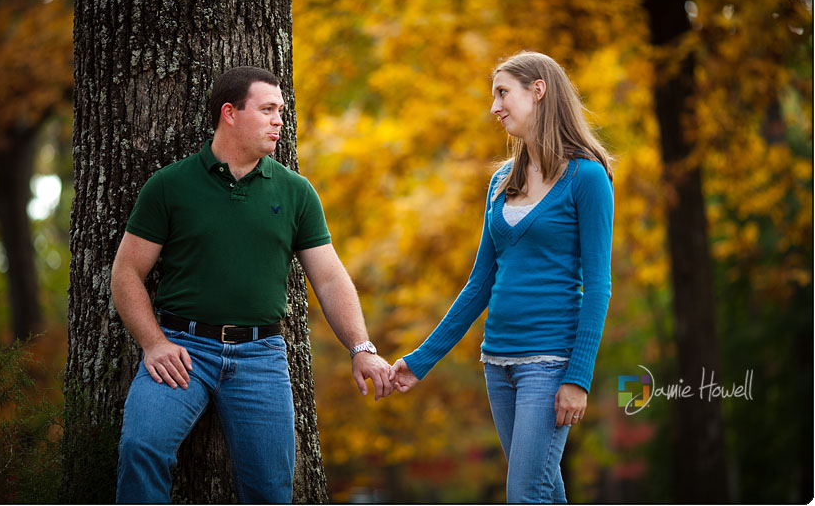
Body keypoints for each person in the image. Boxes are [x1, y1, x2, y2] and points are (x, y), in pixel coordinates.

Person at [111, 66, 393, 503]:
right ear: (230, 113)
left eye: (281, 110)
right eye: (267, 110)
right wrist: (152, 343)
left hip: (260, 357)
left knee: (271, 490)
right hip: (183, 350)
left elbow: (330, 276)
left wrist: (361, 347)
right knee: (139, 448)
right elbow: (126, 273)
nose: (280, 120)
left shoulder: (296, 192)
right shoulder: (170, 186)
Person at [390, 51, 614, 503]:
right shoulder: (499, 183)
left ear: (538, 90)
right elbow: (479, 285)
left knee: (525, 495)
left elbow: (599, 287)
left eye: (501, 93)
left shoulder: (587, 179)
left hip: (549, 364)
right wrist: (421, 360)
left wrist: (578, 377)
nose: (494, 107)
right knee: (543, 491)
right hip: (498, 364)